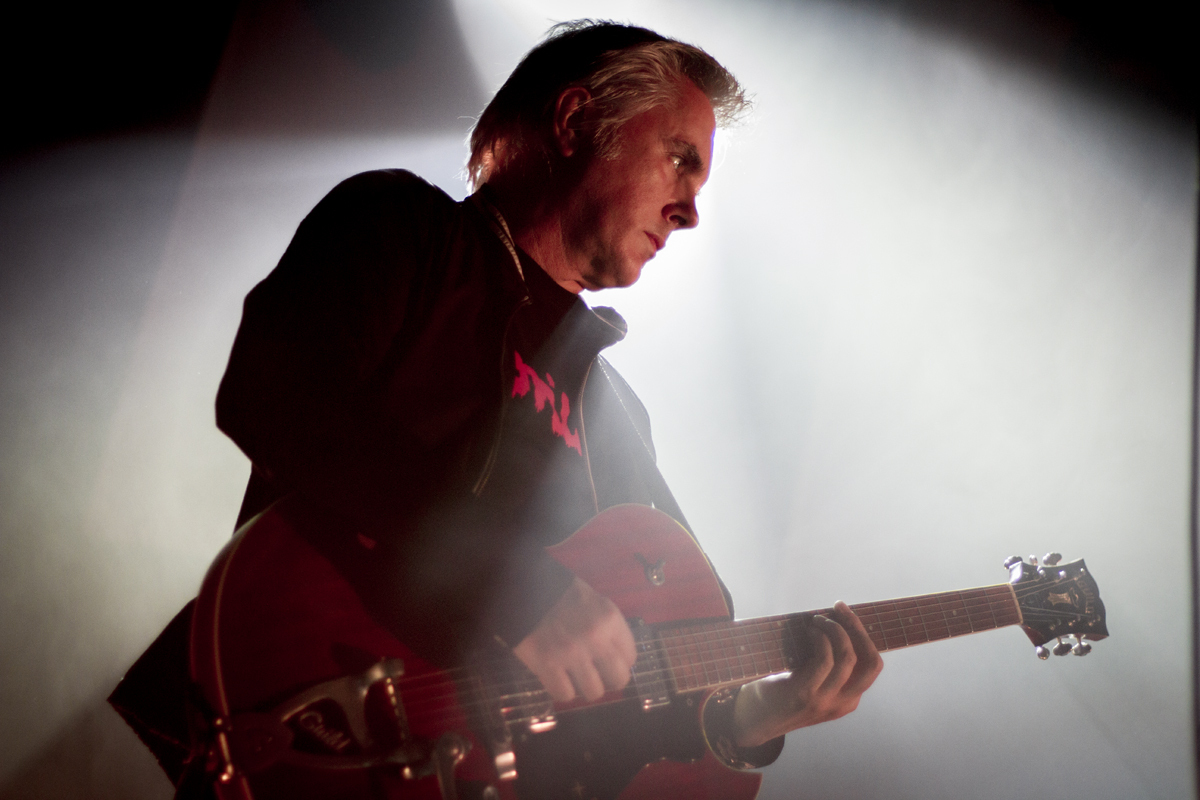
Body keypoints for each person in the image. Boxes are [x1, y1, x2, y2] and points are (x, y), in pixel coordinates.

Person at [114, 20, 882, 798]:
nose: (690, 212)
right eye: (680, 159)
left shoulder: (615, 414)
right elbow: (276, 393)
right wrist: (514, 586)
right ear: (576, 121)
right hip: (326, 717)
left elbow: (615, 677)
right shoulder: (404, 229)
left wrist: (750, 718)